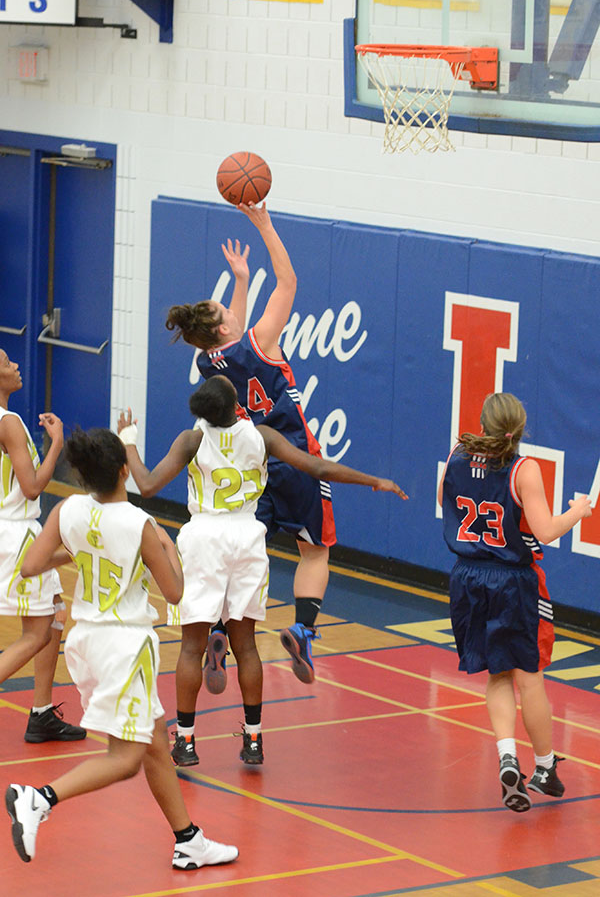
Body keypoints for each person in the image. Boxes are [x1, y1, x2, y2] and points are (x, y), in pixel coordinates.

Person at [118, 375, 406, 767]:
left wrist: (128, 440)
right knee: (247, 646)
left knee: (190, 647)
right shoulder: (262, 436)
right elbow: (316, 466)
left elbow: (148, 484)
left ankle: (185, 741)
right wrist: (373, 480)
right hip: (247, 538)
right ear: (234, 404)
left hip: (204, 539)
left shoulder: (191, 440)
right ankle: (253, 739)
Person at [6, 427, 238, 870]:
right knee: (126, 758)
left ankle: (188, 840)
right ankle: (39, 798)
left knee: (154, 740)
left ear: (82, 475)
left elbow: (32, 566)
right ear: (124, 471)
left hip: (86, 643)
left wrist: (80, 552)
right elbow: (175, 593)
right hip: (125, 647)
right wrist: (167, 546)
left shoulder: (68, 510)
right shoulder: (140, 524)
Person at [165, 203, 337, 688]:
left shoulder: (206, 364)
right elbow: (288, 282)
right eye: (225, 308)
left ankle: (220, 629)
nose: (231, 308)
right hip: (294, 454)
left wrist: (240, 279)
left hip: (250, 465)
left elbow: (228, 328)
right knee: (315, 552)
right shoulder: (261, 341)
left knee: (240, 554)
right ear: (224, 327)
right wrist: (265, 225)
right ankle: (303, 629)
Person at [438, 392, 592, 813]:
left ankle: (508, 757)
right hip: (513, 582)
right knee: (530, 676)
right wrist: (578, 511)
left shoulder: (455, 457)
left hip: (467, 577)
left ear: (482, 422)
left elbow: (445, 502)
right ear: (520, 429)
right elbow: (545, 531)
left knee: (498, 674)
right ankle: (543, 767)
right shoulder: (524, 469)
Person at [0, 348, 85, 743]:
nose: (16, 365)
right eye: (6, 363)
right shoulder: (10, 422)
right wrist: (57, 443)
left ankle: (41, 713)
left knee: (54, 614)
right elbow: (33, 487)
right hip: (16, 534)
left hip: (14, 531)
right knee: (35, 634)